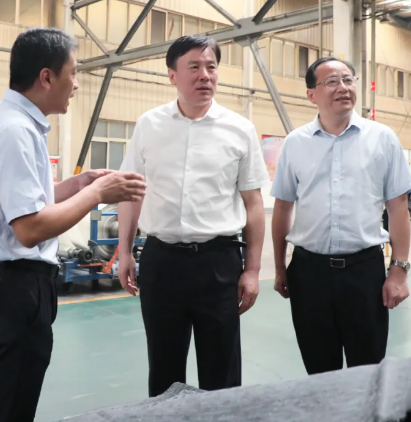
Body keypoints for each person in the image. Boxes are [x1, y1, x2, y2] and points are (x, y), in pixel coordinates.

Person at [0, 28, 146, 422]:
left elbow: (24, 203)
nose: (76, 84)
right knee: (10, 405)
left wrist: (78, 185)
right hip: (12, 287)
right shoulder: (14, 131)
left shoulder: (15, 124)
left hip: (15, 285)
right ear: (47, 77)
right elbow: (30, 228)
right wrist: (96, 194)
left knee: (15, 398)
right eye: (73, 73)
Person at [117, 35, 270, 397]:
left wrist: (252, 270)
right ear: (172, 75)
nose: (205, 75)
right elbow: (131, 193)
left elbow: (253, 204)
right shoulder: (149, 125)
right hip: (162, 261)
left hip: (218, 263)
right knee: (164, 367)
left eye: (211, 67)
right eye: (195, 67)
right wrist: (124, 252)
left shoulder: (239, 129)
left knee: (222, 369)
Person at [271, 57, 411, 376]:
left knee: (368, 370)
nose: (343, 88)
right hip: (309, 274)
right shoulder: (296, 143)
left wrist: (399, 271)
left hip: (364, 273)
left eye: (348, 80)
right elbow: (283, 207)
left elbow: (398, 207)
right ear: (312, 94)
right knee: (320, 371)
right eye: (332, 81)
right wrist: (280, 267)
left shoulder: (382, 139)